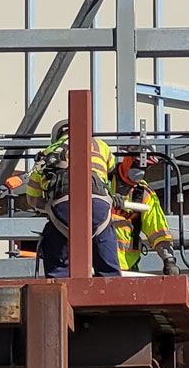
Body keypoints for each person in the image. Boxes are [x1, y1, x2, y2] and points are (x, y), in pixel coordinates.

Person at [25, 119, 121, 278]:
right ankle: (110, 292)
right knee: (109, 273)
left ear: (57, 135)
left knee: (59, 275)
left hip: (63, 211)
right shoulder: (99, 145)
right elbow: (112, 167)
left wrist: (48, 207)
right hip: (99, 210)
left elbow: (32, 198)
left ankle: (62, 297)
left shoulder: (48, 153)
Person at [109, 155, 181, 275]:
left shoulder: (144, 193)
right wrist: (107, 199)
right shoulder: (103, 183)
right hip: (97, 264)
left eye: (146, 166)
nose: (141, 170)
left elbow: (158, 231)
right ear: (127, 159)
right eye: (137, 164)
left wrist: (169, 260)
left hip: (129, 269)